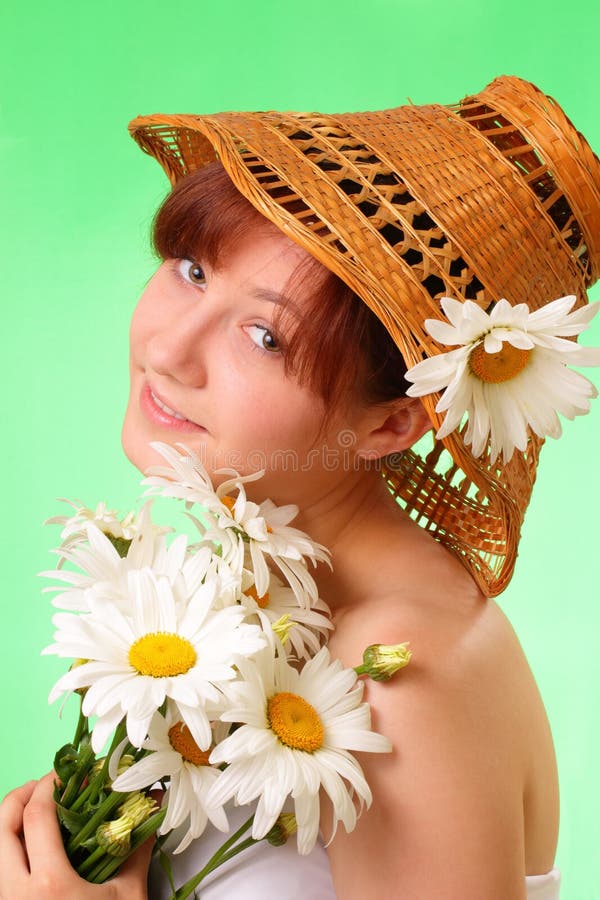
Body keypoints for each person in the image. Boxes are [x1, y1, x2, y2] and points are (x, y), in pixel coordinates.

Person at [1, 75, 597, 899]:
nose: (171, 350)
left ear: (393, 423)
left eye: (265, 335)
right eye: (191, 269)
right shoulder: (262, 596)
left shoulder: (397, 674)